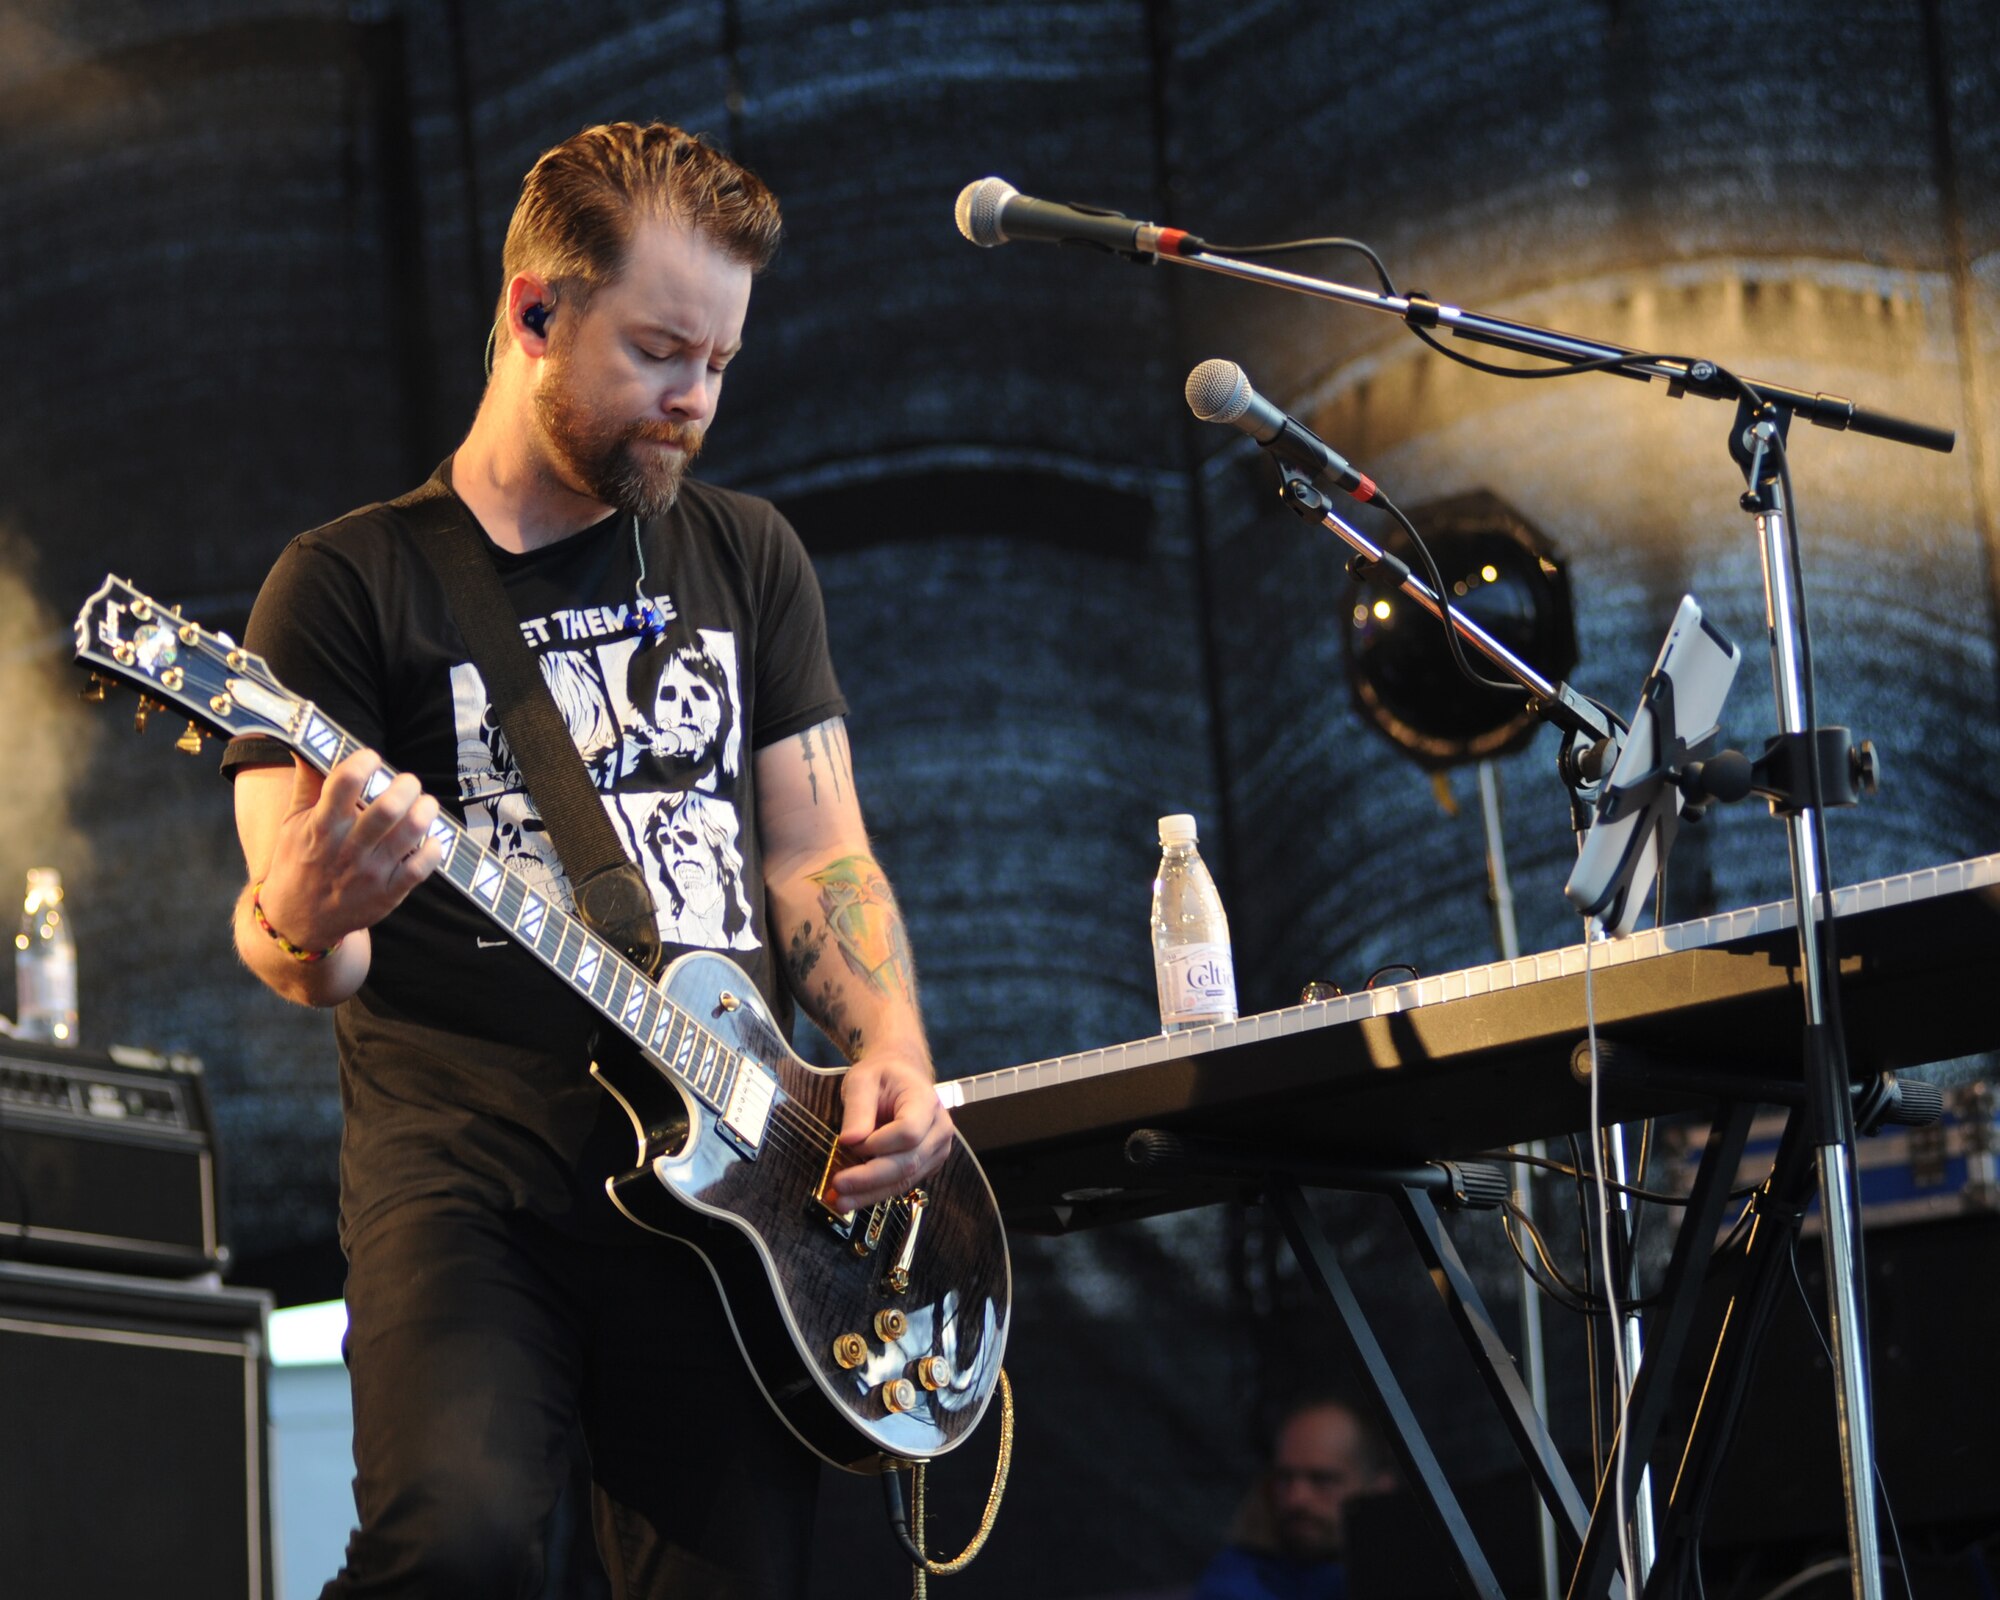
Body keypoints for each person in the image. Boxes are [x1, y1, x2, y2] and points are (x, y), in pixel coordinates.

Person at [223, 121, 952, 1598]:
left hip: (736, 1187)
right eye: (663, 352)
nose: (695, 402)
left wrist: (889, 1046)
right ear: (533, 312)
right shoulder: (348, 585)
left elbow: (816, 858)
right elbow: (301, 939)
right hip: (472, 1180)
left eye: (723, 366)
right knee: (460, 1546)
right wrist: (307, 918)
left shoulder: (749, 557)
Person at [1193, 1398, 1399, 1600]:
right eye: (1284, 1478)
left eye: (1322, 1480)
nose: (1296, 1499)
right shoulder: (1240, 1580)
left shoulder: (1410, 1573)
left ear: (1380, 1488)